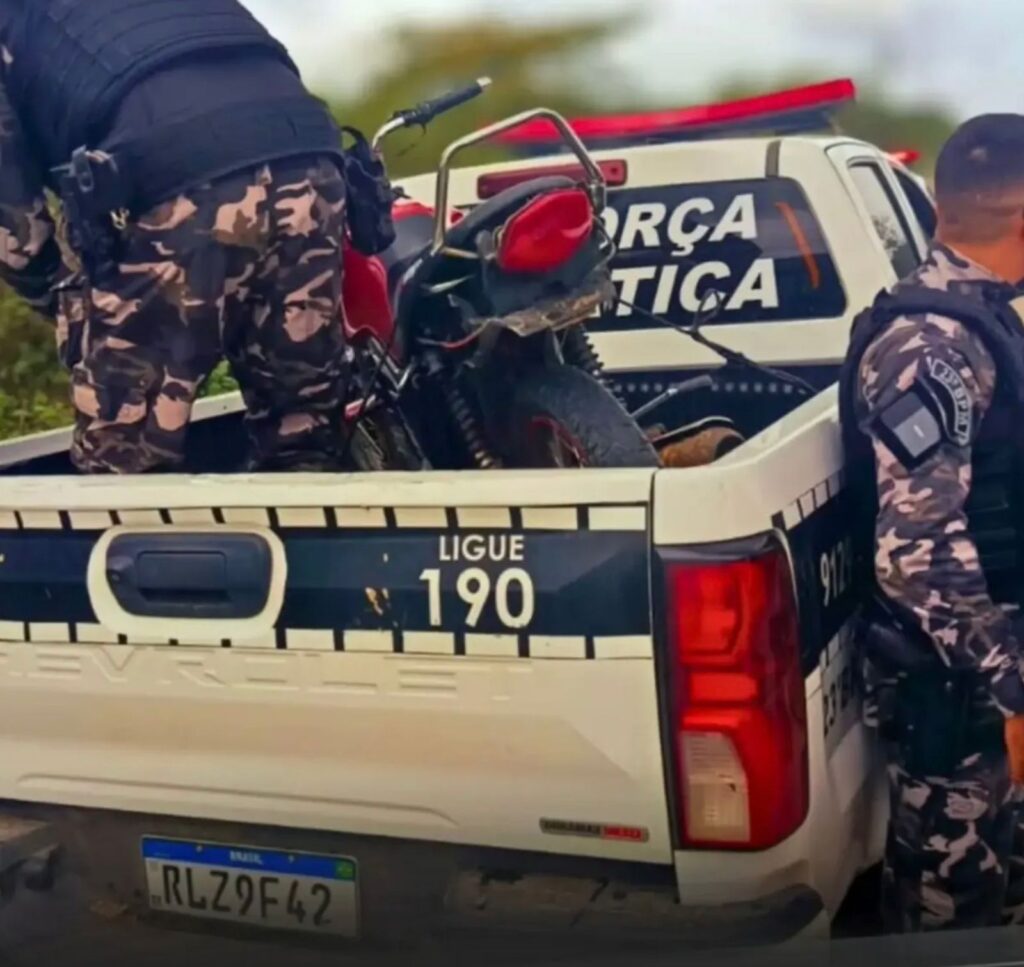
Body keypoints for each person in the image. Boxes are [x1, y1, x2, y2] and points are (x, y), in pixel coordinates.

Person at [0, 0, 350, 473]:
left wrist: (62, 297)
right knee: (304, 432)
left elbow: (11, 215)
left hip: (183, 179)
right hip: (311, 155)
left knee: (123, 460)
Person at [839, 114, 1024, 932]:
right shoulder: (928, 345)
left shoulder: (983, 315)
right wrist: (1013, 690)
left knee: (995, 897)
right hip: (957, 687)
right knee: (948, 915)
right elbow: (915, 549)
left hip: (984, 676)